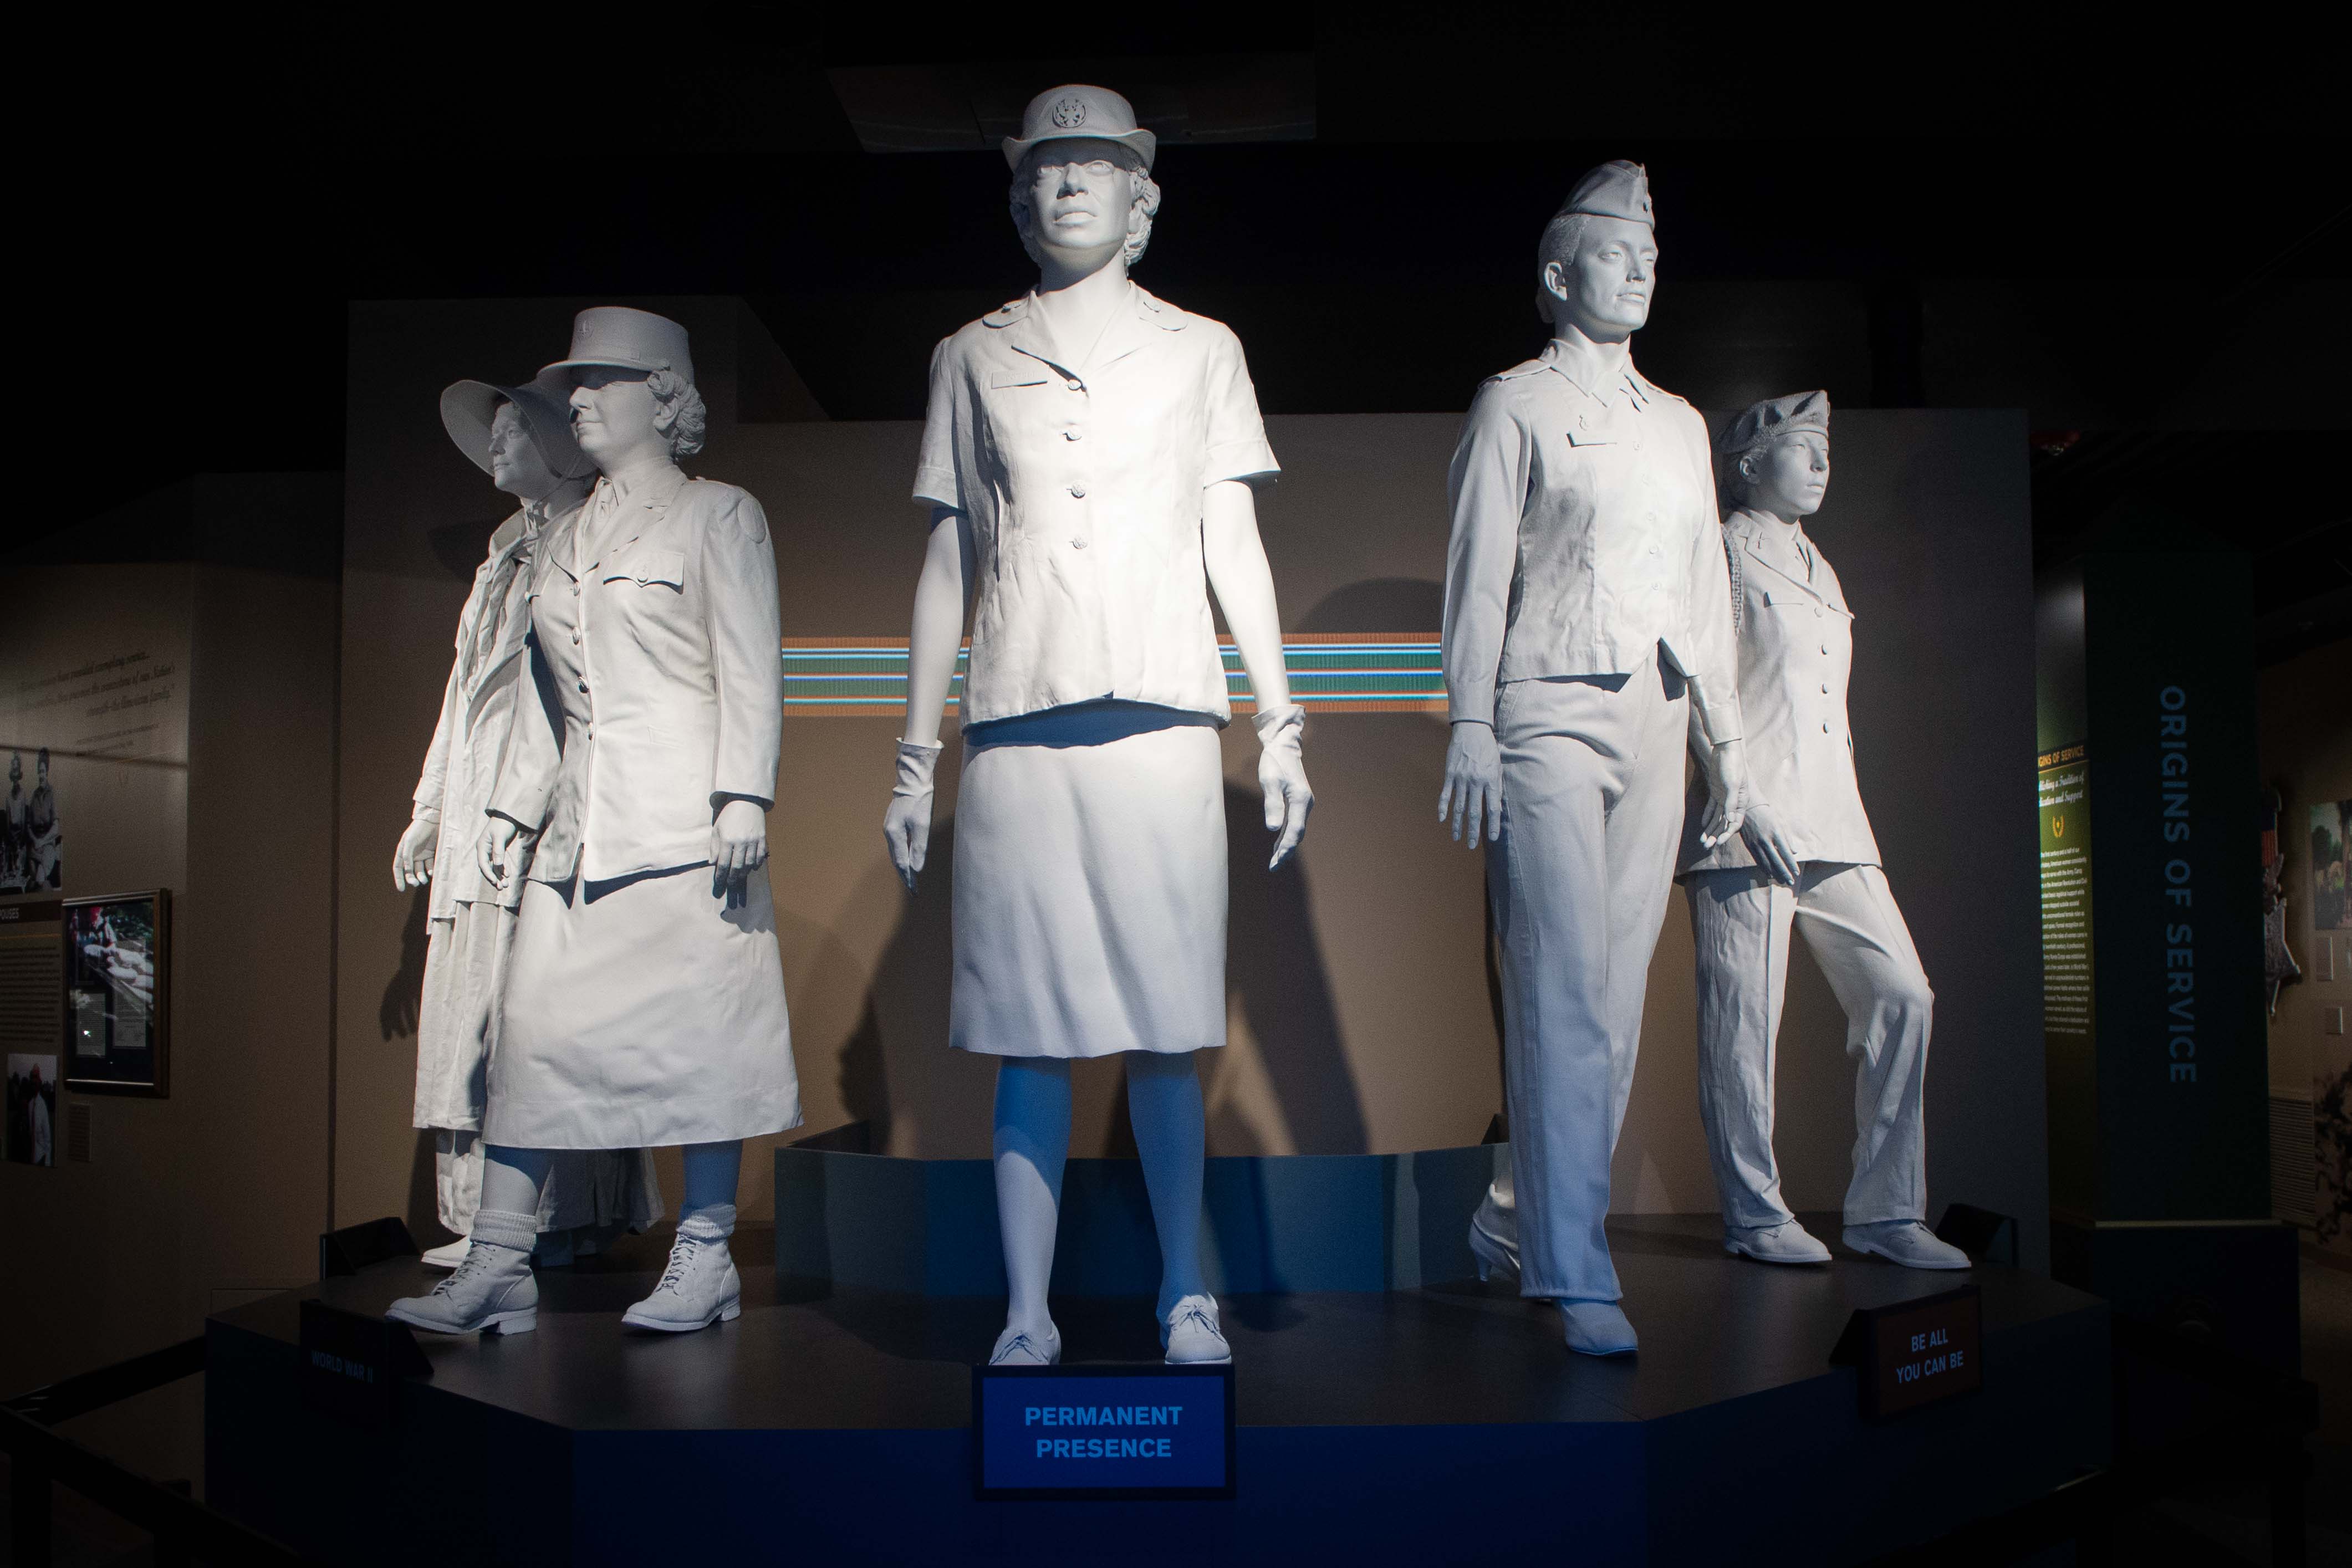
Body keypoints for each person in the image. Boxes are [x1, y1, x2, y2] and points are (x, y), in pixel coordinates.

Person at [884, 85, 1313, 1368]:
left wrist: (1281, 721)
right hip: (1019, 717)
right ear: (1022, 195)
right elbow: (951, 555)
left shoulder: (1202, 349)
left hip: (1164, 715)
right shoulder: (969, 356)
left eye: (1099, 164)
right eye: (1051, 165)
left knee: (1171, 1023)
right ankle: (1028, 1308)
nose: (1072, 182)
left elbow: (1230, 534)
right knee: (1027, 1029)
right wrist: (914, 754)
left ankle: (1189, 1289)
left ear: (1142, 197)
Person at [389, 307, 801, 1337]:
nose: (575, 400)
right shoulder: (565, 536)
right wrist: (507, 805)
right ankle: (499, 1261)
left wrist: (743, 790)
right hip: (577, 834)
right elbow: (548, 695)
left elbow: (751, 665)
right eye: (572, 386)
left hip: (686, 828)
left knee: (704, 1052)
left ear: (661, 395)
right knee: (528, 1037)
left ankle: (703, 1258)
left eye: (598, 382)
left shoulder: (719, 514)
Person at [1438, 161, 1759, 1356]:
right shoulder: (1513, 402)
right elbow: (1478, 579)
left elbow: (1708, 599)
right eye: (1617, 252)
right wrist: (1469, 716)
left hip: (1659, 711)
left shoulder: (1681, 425)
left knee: (1616, 1002)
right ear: (1557, 274)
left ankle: (1518, 1215)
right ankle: (1574, 1269)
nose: (1641, 268)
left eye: (1650, 255)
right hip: (1547, 705)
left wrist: (1730, 747)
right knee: (1563, 986)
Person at [1679, 392, 1967, 1270]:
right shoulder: (1722, 552)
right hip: (1747, 821)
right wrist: (1744, 796)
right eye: (1798, 449)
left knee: (1902, 996)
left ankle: (1884, 1211)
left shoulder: (1819, 566)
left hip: (1835, 818)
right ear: (1744, 465)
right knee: (1743, 1026)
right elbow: (1699, 679)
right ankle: (1753, 1212)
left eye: (1822, 451)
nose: (1817, 464)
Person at [391, 371, 660, 1271]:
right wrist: (430, 808)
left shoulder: (595, 531)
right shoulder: (503, 550)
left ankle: (555, 1211)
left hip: (556, 797)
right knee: (476, 998)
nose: (494, 449)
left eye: (511, 432)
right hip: (480, 799)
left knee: (545, 1007)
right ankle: (484, 1216)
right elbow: (461, 691)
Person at [27, 749, 59, 889]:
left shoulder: (52, 794)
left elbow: (56, 827)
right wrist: (35, 840)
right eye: (39, 772)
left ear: (47, 773)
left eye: (43, 772)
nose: (41, 775)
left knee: (40, 878)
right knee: (31, 882)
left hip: (47, 846)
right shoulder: (34, 795)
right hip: (35, 846)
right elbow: (28, 825)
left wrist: (42, 841)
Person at [27, 1062, 52, 1167]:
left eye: (36, 1078)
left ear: (39, 1082)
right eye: (32, 1078)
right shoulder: (30, 1104)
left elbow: (47, 1137)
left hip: (40, 1158)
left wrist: (47, 1162)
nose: (34, 1081)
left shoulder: (42, 1106)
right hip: (31, 1157)